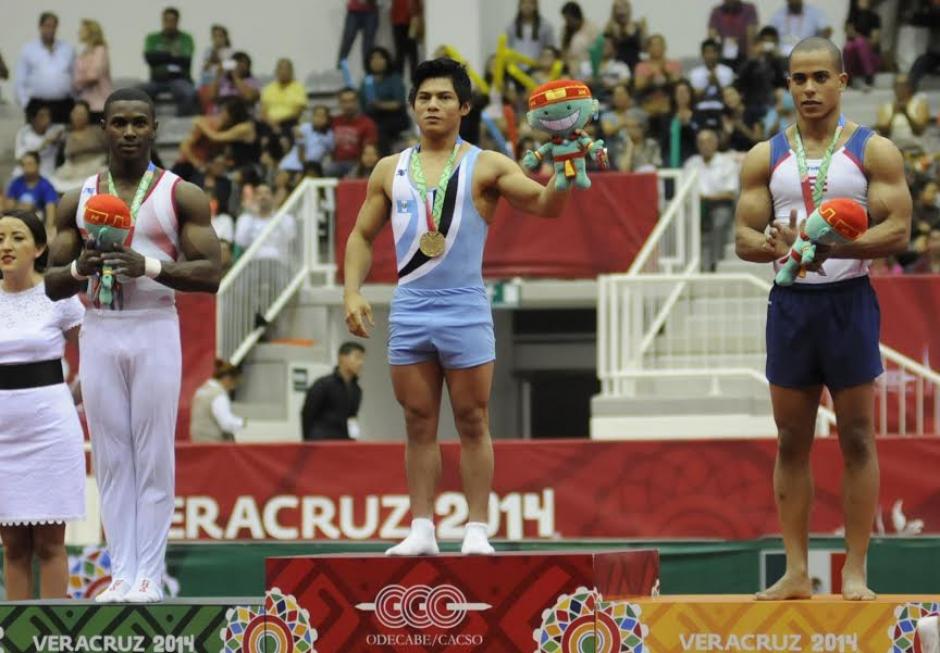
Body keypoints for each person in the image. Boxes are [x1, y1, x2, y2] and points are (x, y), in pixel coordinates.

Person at [343, 58, 575, 556]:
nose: (433, 105)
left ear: (464, 107)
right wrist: (352, 290)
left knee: (472, 419)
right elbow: (362, 234)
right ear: (411, 107)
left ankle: (476, 529)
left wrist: (567, 166)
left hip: (464, 307)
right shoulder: (390, 169)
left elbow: (544, 206)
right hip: (410, 307)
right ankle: (422, 529)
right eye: (424, 97)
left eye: (444, 97)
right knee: (418, 422)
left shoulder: (486, 164)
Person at [734, 37, 912, 601]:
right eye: (799, 79)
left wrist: (830, 247)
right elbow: (743, 237)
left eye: (820, 78)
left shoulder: (873, 151)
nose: (809, 89)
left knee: (857, 437)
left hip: (848, 303)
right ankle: (795, 571)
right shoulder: (765, 157)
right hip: (792, 307)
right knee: (791, 439)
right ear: (787, 85)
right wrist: (774, 247)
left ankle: (854, 570)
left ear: (841, 81)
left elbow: (898, 229)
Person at [44, 87, 222, 603]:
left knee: (153, 454)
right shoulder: (75, 199)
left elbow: (211, 274)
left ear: (153, 129)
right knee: (111, 457)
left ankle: (150, 573)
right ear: (102, 127)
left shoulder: (178, 194)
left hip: (153, 326)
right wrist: (82, 266)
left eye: (137, 123)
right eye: (118, 122)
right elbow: (52, 284)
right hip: (99, 329)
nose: (127, 132)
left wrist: (149, 266)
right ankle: (120, 573)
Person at [0, 209, 85, 601]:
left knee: (50, 544)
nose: (6, 246)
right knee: (13, 547)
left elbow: (98, 352)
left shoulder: (59, 296)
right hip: (3, 439)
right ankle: (15, 642)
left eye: (17, 237)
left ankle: (53, 639)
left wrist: (75, 398)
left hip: (50, 430)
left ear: (39, 247)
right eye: (0, 238)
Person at [684, 128, 740, 271]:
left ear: (716, 143)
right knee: (687, 221)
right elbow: (684, 191)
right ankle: (694, 265)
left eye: (709, 141)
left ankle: (715, 263)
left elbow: (731, 193)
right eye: (701, 142)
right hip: (697, 206)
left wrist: (707, 198)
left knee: (719, 221)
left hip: (720, 205)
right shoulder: (691, 163)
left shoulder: (727, 163)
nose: (705, 145)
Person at [15, 12, 75, 124]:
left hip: (63, 105)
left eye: (53, 26)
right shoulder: (28, 49)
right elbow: (20, 81)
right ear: (40, 27)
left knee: (62, 139)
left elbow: (74, 76)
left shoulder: (67, 49)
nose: (50, 29)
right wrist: (26, 104)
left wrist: (74, 101)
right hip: (37, 105)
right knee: (37, 141)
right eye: (47, 26)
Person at [301, 342, 365, 441]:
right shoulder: (323, 384)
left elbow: (352, 418)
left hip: (343, 443)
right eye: (357, 357)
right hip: (321, 442)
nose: (361, 363)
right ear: (342, 358)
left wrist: (354, 441)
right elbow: (308, 414)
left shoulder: (356, 390)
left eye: (362, 359)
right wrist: (307, 442)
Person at [141, 7, 198, 116]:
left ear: (177, 21)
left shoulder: (186, 38)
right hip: (157, 80)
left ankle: (180, 127)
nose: (169, 24)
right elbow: (150, 58)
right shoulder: (152, 38)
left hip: (180, 79)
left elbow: (185, 60)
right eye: (166, 20)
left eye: (172, 20)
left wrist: (161, 56)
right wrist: (172, 55)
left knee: (189, 93)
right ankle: (146, 126)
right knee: (137, 94)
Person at [361, 47, 410, 155]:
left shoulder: (394, 79)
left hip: (394, 116)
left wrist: (379, 105)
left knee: (379, 129)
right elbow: (362, 103)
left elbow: (398, 103)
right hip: (372, 116)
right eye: (373, 59)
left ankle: (383, 159)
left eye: (380, 58)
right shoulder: (366, 81)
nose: (376, 62)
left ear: (387, 60)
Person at [52, 100, 108, 192]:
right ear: (71, 115)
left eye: (82, 113)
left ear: (88, 115)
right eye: (76, 113)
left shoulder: (98, 131)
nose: (79, 116)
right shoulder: (64, 134)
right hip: (72, 171)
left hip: (96, 167)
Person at [327, 87, 379, 177]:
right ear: (340, 103)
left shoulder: (367, 123)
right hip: (337, 163)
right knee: (328, 169)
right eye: (344, 101)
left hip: (357, 163)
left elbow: (370, 149)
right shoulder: (334, 121)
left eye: (351, 101)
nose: (348, 105)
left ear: (357, 102)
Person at [190, 359, 244, 442]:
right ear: (227, 378)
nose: (233, 388)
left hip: (197, 443)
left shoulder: (201, 391)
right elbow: (226, 423)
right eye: (235, 382)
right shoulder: (218, 395)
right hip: (214, 446)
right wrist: (243, 423)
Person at [5, 152, 59, 230]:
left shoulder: (46, 185)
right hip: (16, 223)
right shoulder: (16, 183)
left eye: (29, 164)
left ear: (38, 165)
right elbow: (8, 208)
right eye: (23, 165)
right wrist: (20, 207)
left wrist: (48, 228)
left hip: (37, 225)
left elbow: (50, 209)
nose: (26, 167)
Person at [13, 102, 65, 181]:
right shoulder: (24, 132)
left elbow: (67, 130)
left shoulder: (55, 129)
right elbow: (19, 157)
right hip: (27, 171)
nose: (47, 119)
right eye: (42, 116)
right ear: (33, 119)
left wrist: (59, 140)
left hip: (48, 173)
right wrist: (43, 144)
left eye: (48, 115)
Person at [73, 19, 112, 122]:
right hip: (85, 104)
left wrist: (78, 82)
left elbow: (93, 76)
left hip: (99, 104)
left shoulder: (100, 50)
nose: (79, 32)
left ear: (91, 32)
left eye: (82, 29)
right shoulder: (83, 53)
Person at [708, 0, 760, 70]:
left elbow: (751, 36)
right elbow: (712, 38)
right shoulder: (717, 11)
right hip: (724, 55)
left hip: (744, 54)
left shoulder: (749, 9)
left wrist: (750, 61)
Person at [260, 59, 308, 136]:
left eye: (286, 69)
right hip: (269, 124)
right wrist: (272, 124)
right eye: (280, 69)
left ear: (291, 72)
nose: (283, 72)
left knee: (283, 137)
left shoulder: (299, 88)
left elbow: (297, 113)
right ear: (276, 71)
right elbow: (263, 113)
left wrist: (278, 121)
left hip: (290, 122)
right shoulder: (268, 89)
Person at [843, 0, 881, 89]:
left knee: (860, 42)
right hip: (855, 57)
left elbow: (875, 40)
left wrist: (862, 40)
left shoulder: (874, 17)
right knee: (848, 47)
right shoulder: (851, 18)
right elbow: (849, 32)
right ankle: (848, 78)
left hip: (870, 57)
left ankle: (869, 76)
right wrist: (860, 39)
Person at [506, 0, 557, 64]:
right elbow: (508, 48)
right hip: (515, 68)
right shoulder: (511, 27)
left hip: (538, 68)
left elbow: (551, 49)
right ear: (519, 6)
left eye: (531, 3)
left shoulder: (546, 26)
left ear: (536, 6)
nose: (527, 6)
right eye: (524, 3)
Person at [603, 0, 646, 73]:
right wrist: (616, 34)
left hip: (635, 63)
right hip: (617, 65)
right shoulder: (610, 27)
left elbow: (644, 48)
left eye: (624, 7)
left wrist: (643, 31)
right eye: (618, 8)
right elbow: (606, 50)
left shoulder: (637, 26)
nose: (621, 11)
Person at [559, 1, 599, 77]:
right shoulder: (565, 31)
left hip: (588, 68)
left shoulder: (591, 28)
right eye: (565, 20)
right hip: (570, 69)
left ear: (576, 16)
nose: (567, 22)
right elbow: (563, 53)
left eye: (569, 19)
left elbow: (596, 51)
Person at [338, 0, 380, 68]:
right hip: (354, 11)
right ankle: (339, 70)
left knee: (368, 45)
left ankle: (368, 74)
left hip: (371, 11)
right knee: (347, 40)